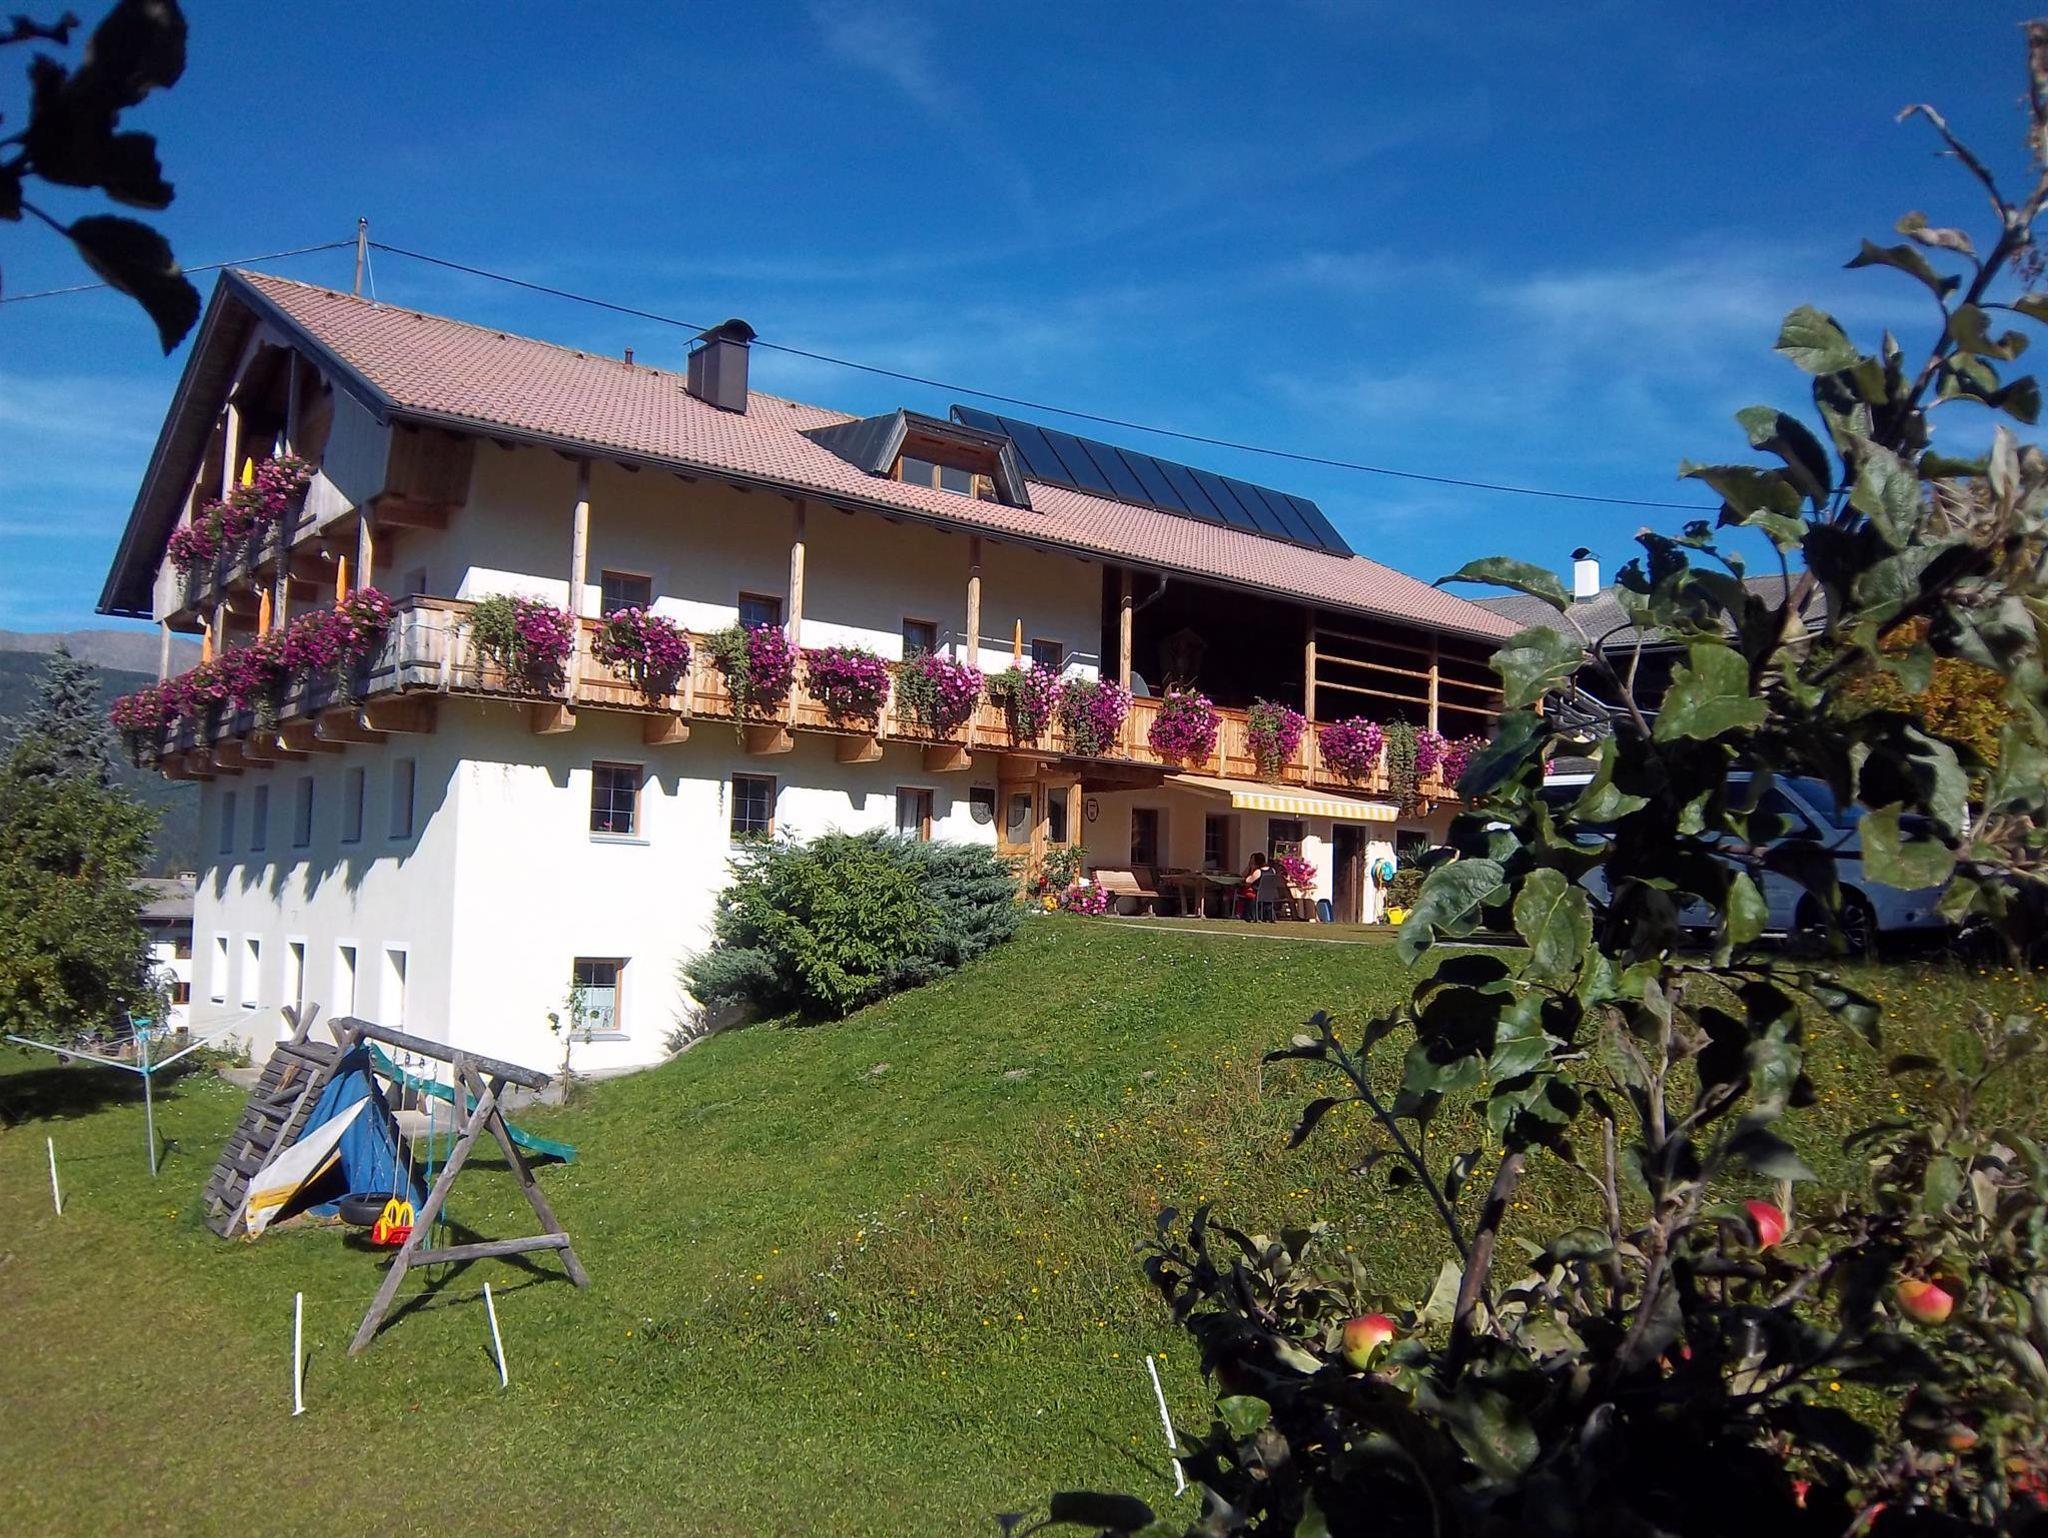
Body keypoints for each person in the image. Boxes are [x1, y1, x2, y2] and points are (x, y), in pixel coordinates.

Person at [1237, 852, 1267, 920]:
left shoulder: (1258, 871)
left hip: (1256, 892)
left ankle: (1240, 913)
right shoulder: (1272, 870)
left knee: (1242, 892)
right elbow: (1243, 876)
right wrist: (1249, 867)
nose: (1251, 861)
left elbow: (1248, 881)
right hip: (1267, 894)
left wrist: (1252, 870)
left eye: (1252, 860)